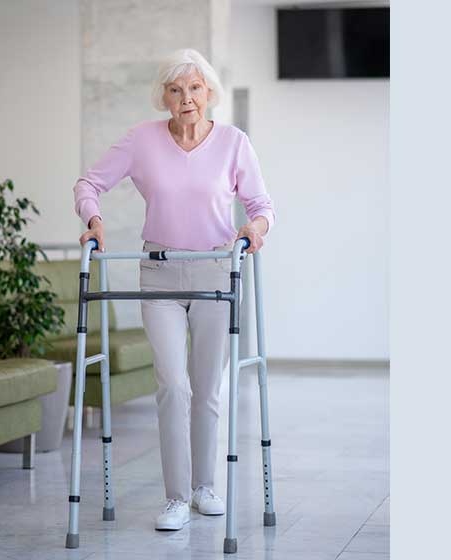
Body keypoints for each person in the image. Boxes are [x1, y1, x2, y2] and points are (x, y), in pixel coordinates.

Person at [72, 48, 276, 531]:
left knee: (207, 388)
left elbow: (261, 204)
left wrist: (254, 230)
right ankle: (176, 498)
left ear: (209, 93)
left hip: (215, 270)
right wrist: (93, 220)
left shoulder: (232, 142)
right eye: (176, 89)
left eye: (195, 87)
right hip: (160, 273)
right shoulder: (141, 140)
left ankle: (205, 487)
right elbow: (88, 183)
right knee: (173, 384)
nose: (186, 98)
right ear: (163, 97)